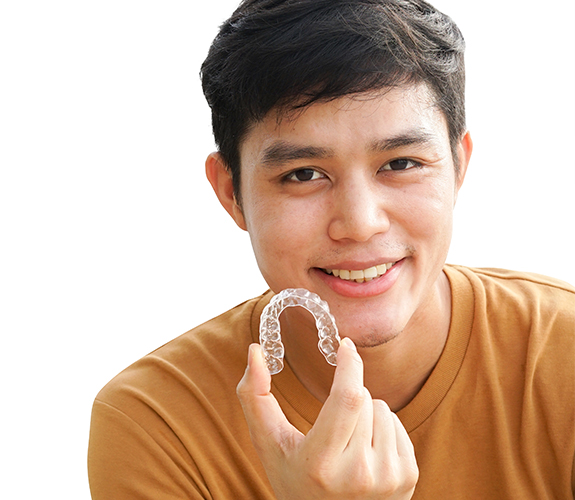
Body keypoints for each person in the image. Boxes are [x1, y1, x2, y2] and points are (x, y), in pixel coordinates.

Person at [87, 0, 575, 498]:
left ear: (457, 166)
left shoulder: (563, 355)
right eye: (303, 175)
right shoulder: (157, 423)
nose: (360, 224)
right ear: (231, 193)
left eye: (402, 163)